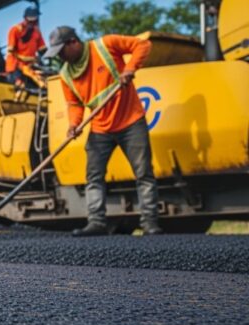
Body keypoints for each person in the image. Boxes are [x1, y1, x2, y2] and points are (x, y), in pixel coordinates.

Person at [44, 27, 162, 236]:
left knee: (143, 173)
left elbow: (142, 45)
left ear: (73, 42)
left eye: (62, 51)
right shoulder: (65, 75)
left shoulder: (105, 45)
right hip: (100, 129)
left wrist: (129, 69)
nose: (60, 57)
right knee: (94, 176)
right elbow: (74, 104)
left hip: (131, 122)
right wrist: (74, 124)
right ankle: (96, 222)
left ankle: (150, 223)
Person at [5, 6, 46, 89]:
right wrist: (25, 59)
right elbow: (11, 51)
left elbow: (43, 50)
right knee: (21, 87)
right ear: (25, 19)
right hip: (15, 68)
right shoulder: (15, 30)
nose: (32, 23)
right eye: (30, 21)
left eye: (34, 21)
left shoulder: (36, 32)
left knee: (44, 82)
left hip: (30, 67)